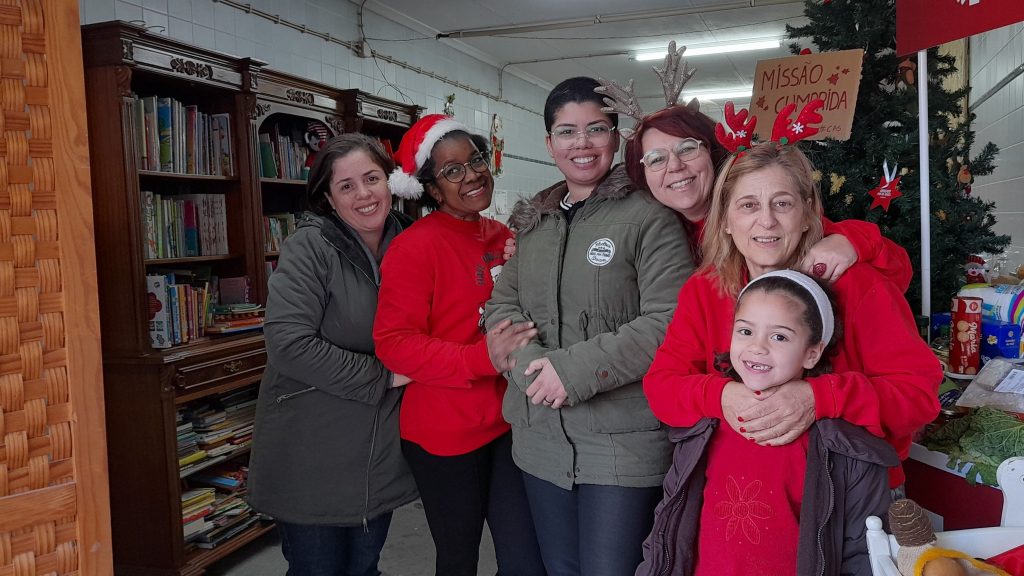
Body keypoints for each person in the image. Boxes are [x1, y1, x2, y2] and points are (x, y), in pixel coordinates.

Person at [642, 128, 941, 497]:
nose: (766, 221)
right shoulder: (705, 290)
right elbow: (662, 387)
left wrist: (821, 398)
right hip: (742, 493)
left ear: (806, 214)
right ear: (725, 222)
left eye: (782, 204)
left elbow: (918, 396)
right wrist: (720, 396)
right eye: (748, 205)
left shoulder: (858, 286)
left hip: (853, 497)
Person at [484, 76, 694, 576]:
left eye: (595, 129)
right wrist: (535, 371)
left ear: (616, 136)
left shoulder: (650, 216)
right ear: (549, 142)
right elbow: (502, 305)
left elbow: (670, 321)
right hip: (540, 441)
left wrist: (571, 373)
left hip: (621, 442)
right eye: (566, 131)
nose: (581, 144)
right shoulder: (533, 220)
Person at [372, 114, 546, 576]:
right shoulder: (414, 248)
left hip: (508, 424)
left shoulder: (502, 237)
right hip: (445, 438)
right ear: (431, 189)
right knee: (458, 558)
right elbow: (394, 344)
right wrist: (479, 357)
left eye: (476, 161)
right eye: (452, 171)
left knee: (524, 555)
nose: (471, 175)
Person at [638, 270, 897, 576]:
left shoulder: (845, 450)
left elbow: (862, 553)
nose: (758, 347)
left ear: (812, 353)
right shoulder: (700, 434)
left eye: (779, 336)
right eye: (745, 331)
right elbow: (667, 528)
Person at [247, 133, 418, 576]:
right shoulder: (311, 247)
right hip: (312, 449)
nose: (363, 194)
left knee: (364, 567)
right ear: (328, 196)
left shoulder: (414, 242)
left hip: (378, 449)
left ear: (391, 182)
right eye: (346, 186)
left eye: (372, 178)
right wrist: (384, 375)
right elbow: (288, 343)